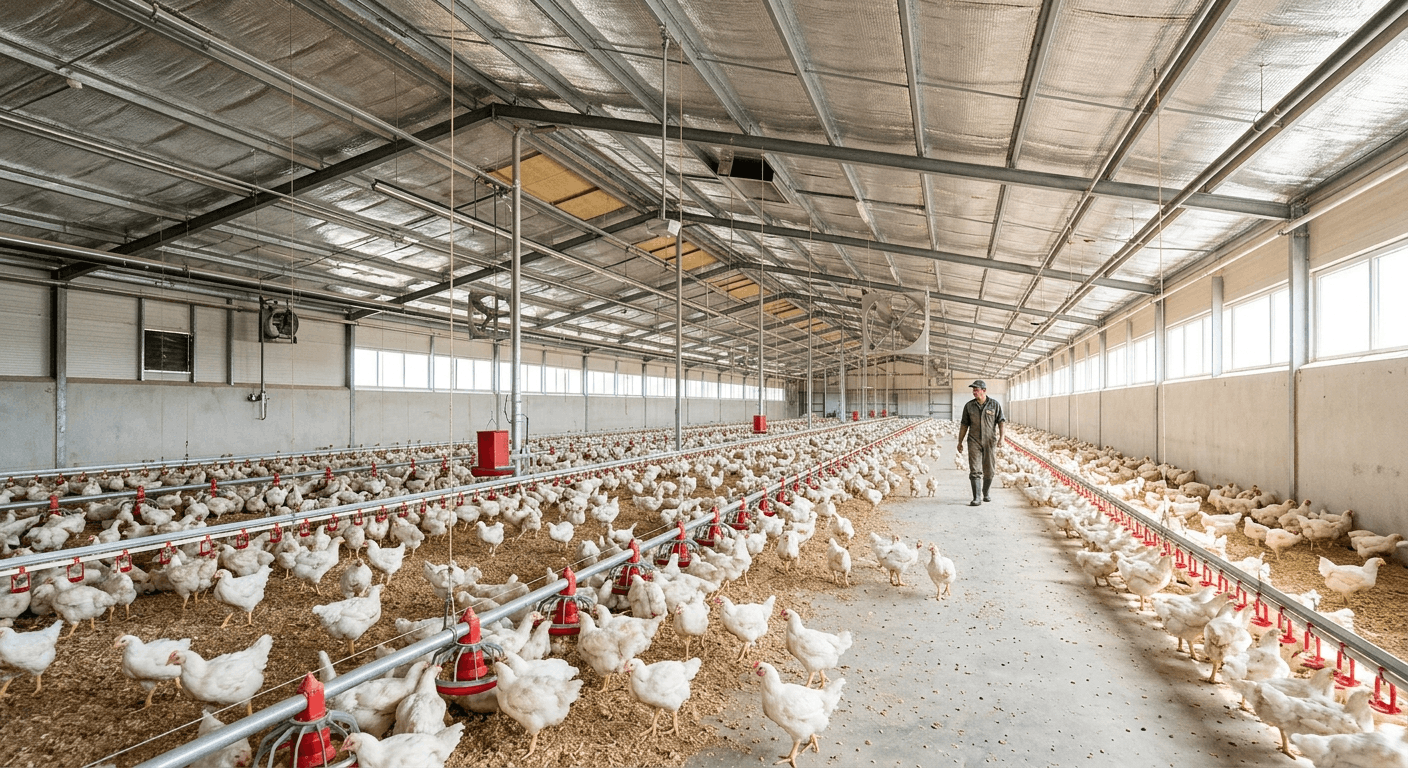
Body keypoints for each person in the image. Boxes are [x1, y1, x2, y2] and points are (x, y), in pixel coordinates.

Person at [956, 380, 1005, 506]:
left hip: (990, 441)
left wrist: (1002, 437)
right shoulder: (969, 406)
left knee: (989, 470)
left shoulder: (994, 404)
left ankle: (986, 492)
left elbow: (1001, 421)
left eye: (976, 390)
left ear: (984, 390)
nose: (974, 392)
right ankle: (977, 497)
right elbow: (964, 425)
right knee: (975, 470)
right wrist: (960, 441)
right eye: (973, 390)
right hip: (974, 441)